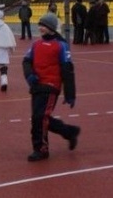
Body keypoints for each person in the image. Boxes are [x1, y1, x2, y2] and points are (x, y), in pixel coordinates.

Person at [22, 14, 80, 161]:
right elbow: (26, 61)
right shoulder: (36, 44)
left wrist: (70, 94)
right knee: (40, 118)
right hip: (36, 85)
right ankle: (69, 132)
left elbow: (67, 70)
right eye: (40, 25)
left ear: (52, 28)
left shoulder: (61, 45)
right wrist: (29, 76)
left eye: (44, 25)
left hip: (51, 86)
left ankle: (41, 149)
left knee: (40, 118)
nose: (40, 28)